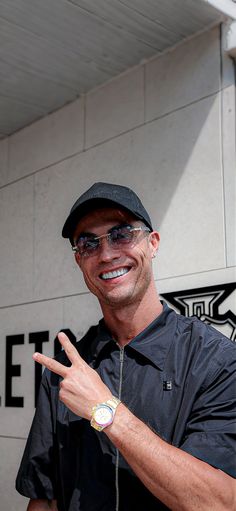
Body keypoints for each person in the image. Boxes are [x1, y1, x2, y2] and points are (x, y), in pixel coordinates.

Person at [16, 182, 236, 511]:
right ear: (79, 262)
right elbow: (45, 499)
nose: (106, 254)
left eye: (121, 234)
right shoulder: (67, 369)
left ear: (153, 243)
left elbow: (218, 502)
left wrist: (105, 411)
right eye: (88, 243)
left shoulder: (214, 359)